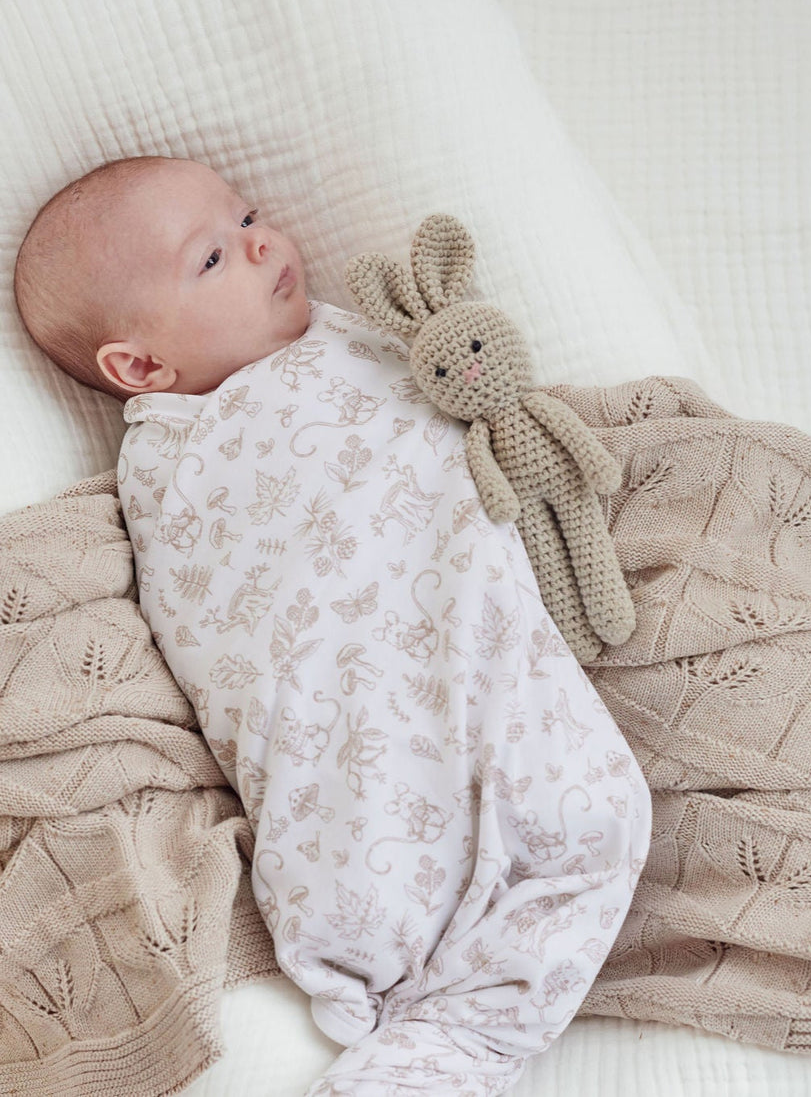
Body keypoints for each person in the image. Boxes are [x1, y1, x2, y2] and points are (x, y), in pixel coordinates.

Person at [14, 156, 651, 1095]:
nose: (262, 242)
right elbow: (219, 618)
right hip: (333, 738)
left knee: (585, 812)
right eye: (212, 259)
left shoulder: (349, 341)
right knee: (419, 847)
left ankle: (448, 1046)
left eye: (250, 216)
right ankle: (443, 1041)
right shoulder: (166, 464)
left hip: (459, 636)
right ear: (141, 367)